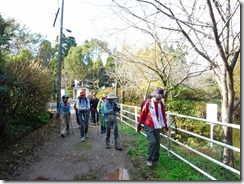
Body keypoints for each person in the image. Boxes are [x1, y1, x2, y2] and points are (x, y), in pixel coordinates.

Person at [137, 87, 168, 167]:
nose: (159, 99)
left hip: (157, 125)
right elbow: (143, 113)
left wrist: (165, 126)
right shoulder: (148, 103)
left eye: (160, 98)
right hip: (148, 124)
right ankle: (149, 159)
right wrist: (139, 124)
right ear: (154, 96)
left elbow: (163, 115)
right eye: (158, 97)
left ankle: (156, 159)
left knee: (157, 143)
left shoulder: (161, 104)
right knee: (152, 142)